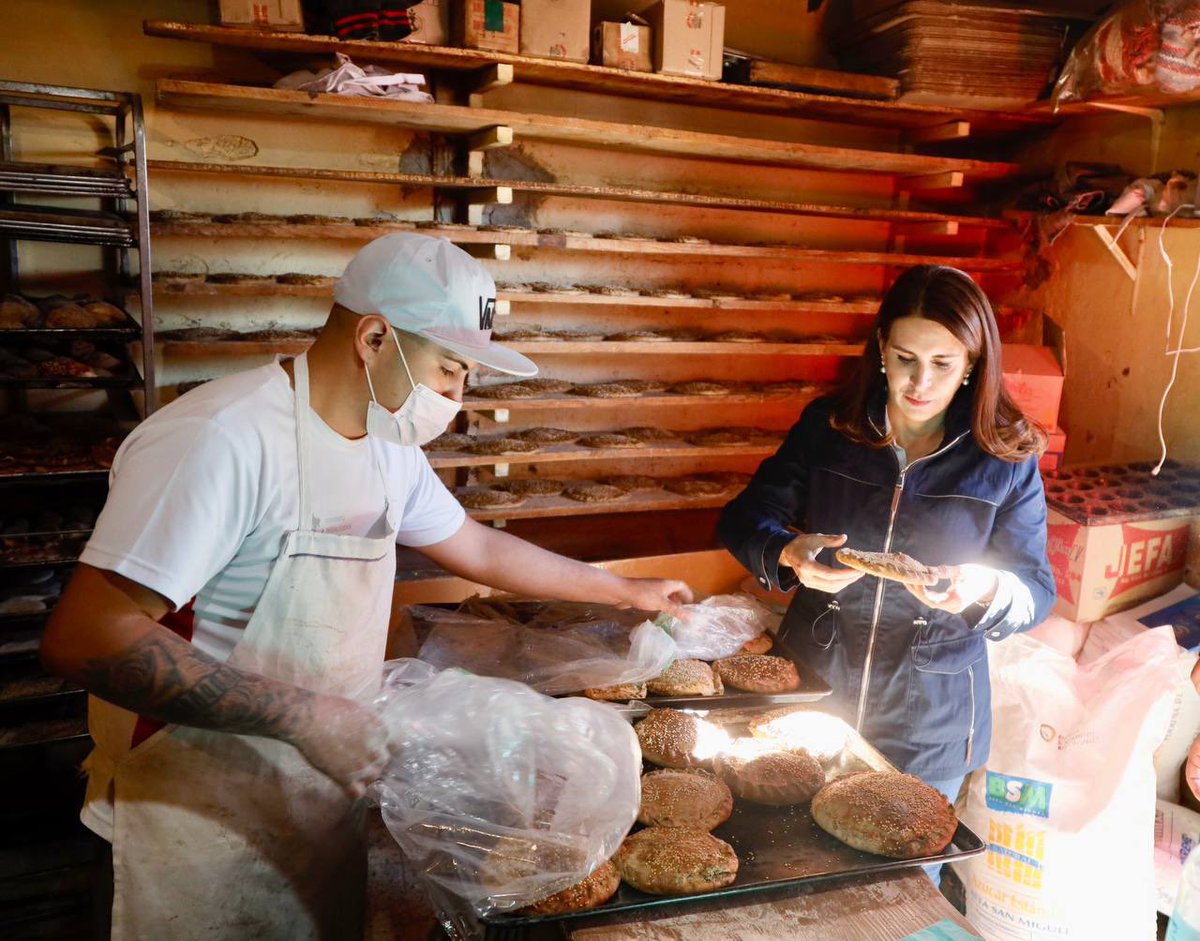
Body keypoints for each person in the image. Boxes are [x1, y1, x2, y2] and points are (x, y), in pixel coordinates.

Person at [40, 233, 692, 940]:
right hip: (193, 816)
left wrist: (624, 590)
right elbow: (86, 636)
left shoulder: (389, 448)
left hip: (315, 796)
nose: (457, 397)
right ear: (375, 337)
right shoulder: (223, 439)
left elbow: (473, 544)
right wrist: (302, 717)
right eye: (449, 370)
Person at [718, 265, 1055, 875]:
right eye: (904, 358)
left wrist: (986, 590)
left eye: (943, 364)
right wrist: (788, 555)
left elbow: (1035, 592)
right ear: (879, 347)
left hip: (932, 713)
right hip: (816, 688)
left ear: (974, 363)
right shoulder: (831, 428)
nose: (919, 383)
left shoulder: (1005, 458)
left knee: (897, 893)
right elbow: (743, 521)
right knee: (787, 868)